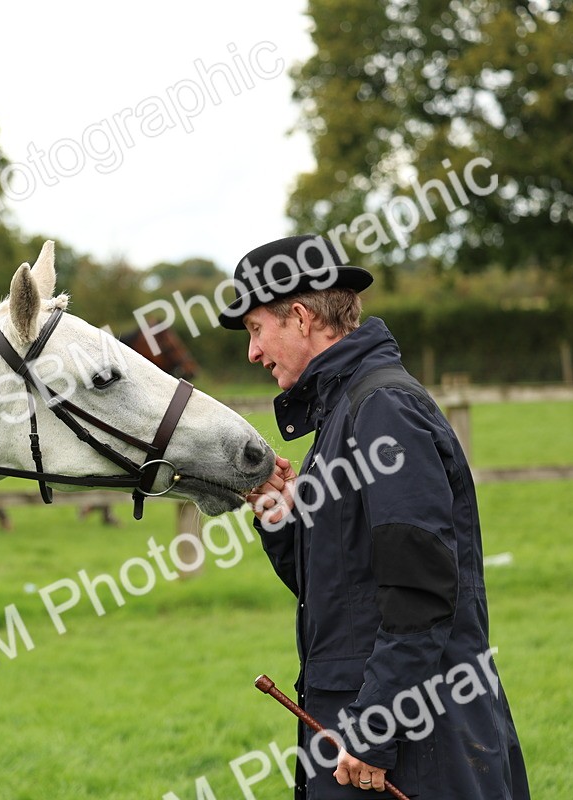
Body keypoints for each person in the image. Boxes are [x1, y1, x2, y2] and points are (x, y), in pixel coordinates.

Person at [219, 235, 529, 799]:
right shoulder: (343, 413)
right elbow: (336, 589)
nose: (253, 352)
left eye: (256, 330)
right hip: (362, 728)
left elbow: (420, 589)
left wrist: (376, 726)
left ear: (300, 317)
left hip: (415, 740)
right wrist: (278, 515)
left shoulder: (382, 410)